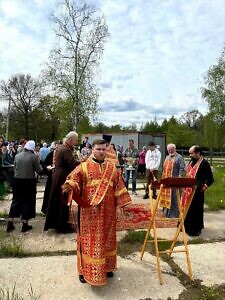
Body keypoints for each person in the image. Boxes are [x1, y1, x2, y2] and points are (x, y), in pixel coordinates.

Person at [62, 139, 131, 286]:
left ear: (107, 150)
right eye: (98, 149)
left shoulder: (112, 168)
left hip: (108, 212)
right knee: (88, 241)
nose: (101, 152)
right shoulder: (84, 167)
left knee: (107, 239)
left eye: (103, 149)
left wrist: (121, 206)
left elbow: (119, 187)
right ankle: (83, 271)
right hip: (89, 213)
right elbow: (73, 179)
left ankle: (106, 267)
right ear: (92, 149)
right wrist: (70, 186)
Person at [44, 131, 79, 233]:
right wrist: (83, 162)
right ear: (70, 140)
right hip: (62, 177)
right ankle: (62, 226)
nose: (76, 142)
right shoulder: (65, 150)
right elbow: (71, 164)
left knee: (58, 199)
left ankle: (59, 223)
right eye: (75, 140)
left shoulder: (61, 147)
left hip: (58, 175)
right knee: (63, 200)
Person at [6, 140, 42, 233]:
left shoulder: (17, 156)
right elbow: (39, 170)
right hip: (29, 182)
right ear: (32, 147)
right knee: (27, 201)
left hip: (17, 181)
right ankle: (24, 225)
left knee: (16, 201)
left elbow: (15, 168)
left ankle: (10, 223)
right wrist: (47, 169)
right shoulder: (34, 157)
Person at [181, 145, 214, 236]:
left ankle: (195, 229)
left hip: (197, 191)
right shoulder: (191, 162)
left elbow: (210, 178)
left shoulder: (204, 163)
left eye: (191, 153)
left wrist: (205, 186)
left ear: (198, 153)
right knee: (187, 208)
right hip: (187, 190)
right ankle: (186, 226)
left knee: (196, 210)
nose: (189, 155)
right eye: (189, 153)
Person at [160, 143, 186, 218]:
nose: (170, 151)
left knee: (174, 198)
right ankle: (166, 212)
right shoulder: (167, 157)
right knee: (166, 198)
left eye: (171, 149)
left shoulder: (179, 157)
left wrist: (180, 176)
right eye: (169, 150)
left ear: (175, 149)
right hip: (167, 182)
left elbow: (182, 168)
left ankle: (174, 214)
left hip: (175, 181)